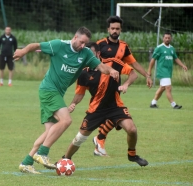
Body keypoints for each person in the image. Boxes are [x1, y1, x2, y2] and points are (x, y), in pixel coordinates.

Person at [13, 27, 120, 174]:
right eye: (81, 42)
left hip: (56, 93)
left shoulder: (86, 54)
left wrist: (112, 70)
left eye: (86, 43)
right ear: (75, 37)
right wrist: (23, 51)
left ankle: (26, 162)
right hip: (48, 90)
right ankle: (42, 153)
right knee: (66, 120)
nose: (83, 46)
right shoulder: (59, 45)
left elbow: (101, 66)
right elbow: (36, 45)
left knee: (50, 131)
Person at [61, 42, 149, 167]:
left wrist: (126, 84)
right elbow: (80, 94)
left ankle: (132, 155)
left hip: (115, 106)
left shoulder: (113, 63)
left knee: (132, 129)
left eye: (89, 54)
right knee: (80, 138)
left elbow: (133, 74)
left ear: (97, 53)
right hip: (96, 110)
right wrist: (73, 104)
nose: (86, 57)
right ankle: (65, 159)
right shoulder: (83, 73)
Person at [92, 15, 153, 157]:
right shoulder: (100, 44)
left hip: (115, 86)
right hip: (100, 86)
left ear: (120, 30)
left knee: (114, 115)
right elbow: (90, 60)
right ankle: (99, 140)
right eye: (112, 28)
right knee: (116, 114)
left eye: (117, 29)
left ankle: (99, 141)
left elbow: (134, 63)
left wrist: (147, 75)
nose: (114, 31)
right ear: (108, 29)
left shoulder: (123, 47)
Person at [148, 32, 188, 109]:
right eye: (165, 38)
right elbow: (152, 60)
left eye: (168, 38)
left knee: (162, 88)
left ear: (171, 39)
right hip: (162, 71)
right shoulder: (159, 48)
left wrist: (182, 65)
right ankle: (174, 105)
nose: (167, 39)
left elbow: (176, 58)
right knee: (168, 88)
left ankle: (153, 103)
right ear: (163, 38)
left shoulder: (172, 49)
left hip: (168, 72)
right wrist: (149, 71)